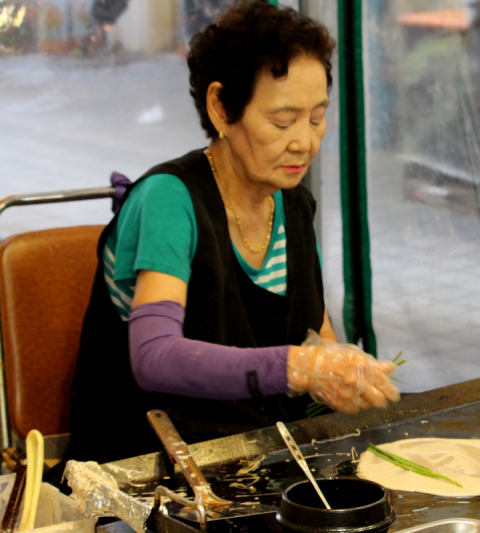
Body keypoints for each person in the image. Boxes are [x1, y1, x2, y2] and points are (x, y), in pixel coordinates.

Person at [65, 2, 399, 465]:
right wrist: (299, 367)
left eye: (317, 118)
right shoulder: (168, 200)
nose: (304, 141)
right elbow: (154, 356)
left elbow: (314, 332)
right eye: (283, 121)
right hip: (148, 464)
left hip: (255, 454)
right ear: (221, 108)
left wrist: (337, 366)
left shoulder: (293, 202)